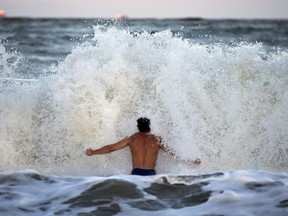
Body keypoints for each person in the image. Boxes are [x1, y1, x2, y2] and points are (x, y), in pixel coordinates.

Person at [86, 117, 201, 176]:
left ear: (138, 126)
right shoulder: (157, 139)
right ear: (149, 126)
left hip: (136, 174)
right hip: (151, 174)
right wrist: (190, 161)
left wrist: (93, 152)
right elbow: (173, 154)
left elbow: (111, 148)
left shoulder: (132, 138)